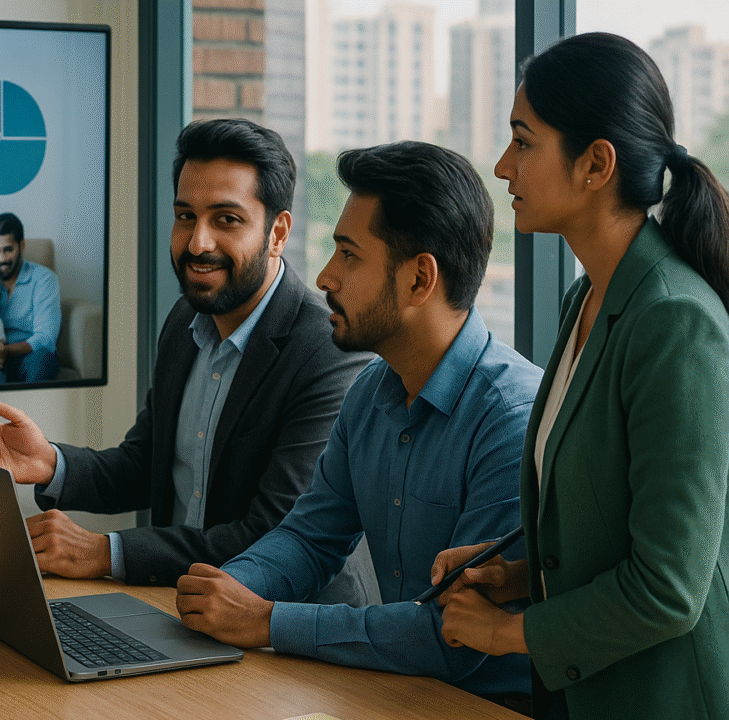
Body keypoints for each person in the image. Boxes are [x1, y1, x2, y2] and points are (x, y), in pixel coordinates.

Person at [173, 141, 543, 709]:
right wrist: (226, 590)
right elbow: (310, 537)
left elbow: (458, 641)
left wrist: (267, 622)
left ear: (420, 280)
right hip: (388, 695)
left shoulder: (513, 421)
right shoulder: (371, 388)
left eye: (348, 255)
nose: (324, 276)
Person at [0, 118, 376, 600]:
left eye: (226, 220)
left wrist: (103, 552)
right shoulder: (185, 321)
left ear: (277, 233)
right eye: (186, 216)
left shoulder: (329, 355)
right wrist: (50, 462)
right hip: (178, 608)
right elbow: (148, 464)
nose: (198, 243)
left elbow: (274, 537)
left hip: (285, 631)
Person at [432, 32, 729, 719]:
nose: (503, 166)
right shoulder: (587, 295)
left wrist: (507, 634)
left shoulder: (676, 321)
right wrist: (513, 575)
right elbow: (607, 526)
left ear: (596, 164)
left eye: (524, 141)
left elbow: (666, 587)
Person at [0, 213, 61, 383]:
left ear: (21, 246)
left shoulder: (44, 279)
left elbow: (46, 338)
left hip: (29, 356)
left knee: (43, 359)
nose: (1, 259)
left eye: (8, 250)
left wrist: (3, 349)